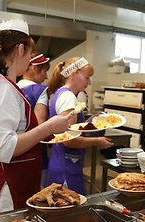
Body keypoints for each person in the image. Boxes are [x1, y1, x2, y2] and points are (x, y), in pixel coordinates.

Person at [0, 18, 71, 215]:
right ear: (20, 49)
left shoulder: (1, 83)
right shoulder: (2, 89)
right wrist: (48, 127)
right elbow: (4, 149)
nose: (30, 59)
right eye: (30, 53)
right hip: (7, 188)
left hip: (13, 182)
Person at [46, 57, 114, 195]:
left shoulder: (62, 94)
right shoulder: (68, 98)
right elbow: (69, 141)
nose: (89, 82)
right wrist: (97, 141)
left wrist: (90, 121)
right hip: (66, 169)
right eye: (87, 77)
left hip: (64, 163)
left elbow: (70, 128)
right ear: (75, 72)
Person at [17, 53, 51, 187]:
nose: (46, 76)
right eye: (44, 70)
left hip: (15, 150)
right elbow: (40, 126)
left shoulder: (13, 87)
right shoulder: (39, 91)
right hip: (34, 152)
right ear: (34, 68)